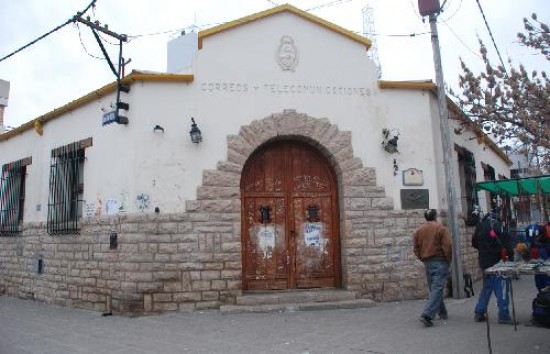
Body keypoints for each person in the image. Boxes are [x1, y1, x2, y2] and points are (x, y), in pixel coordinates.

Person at [472, 210, 514, 324]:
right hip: (498, 261)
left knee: (487, 287)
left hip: (484, 261)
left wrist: (484, 249)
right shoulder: (498, 225)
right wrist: (511, 259)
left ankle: (479, 312)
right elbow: (508, 244)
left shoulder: (480, 226)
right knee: (502, 287)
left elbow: (474, 242)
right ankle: (503, 315)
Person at [413, 209, 453, 327]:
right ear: (435, 216)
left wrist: (422, 258)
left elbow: (416, 248)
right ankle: (427, 314)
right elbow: (448, 245)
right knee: (437, 288)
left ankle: (442, 312)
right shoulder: (441, 228)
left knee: (435, 288)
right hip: (439, 261)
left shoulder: (419, 230)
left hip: (428, 262)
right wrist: (448, 259)